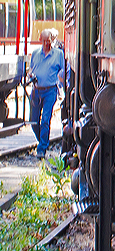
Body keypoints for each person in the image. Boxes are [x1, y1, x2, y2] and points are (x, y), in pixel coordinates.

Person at [27, 30, 65, 159]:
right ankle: (43, 141)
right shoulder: (36, 54)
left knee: (45, 120)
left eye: (48, 41)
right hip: (36, 90)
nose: (46, 43)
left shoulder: (58, 54)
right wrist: (30, 75)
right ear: (40, 40)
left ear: (51, 40)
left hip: (50, 90)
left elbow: (63, 70)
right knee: (33, 121)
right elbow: (31, 69)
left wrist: (61, 79)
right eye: (43, 41)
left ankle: (42, 148)